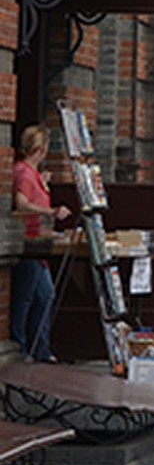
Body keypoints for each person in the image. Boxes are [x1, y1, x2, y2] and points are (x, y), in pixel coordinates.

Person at [11, 125, 70, 362]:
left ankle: (40, 348)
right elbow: (22, 202)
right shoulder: (24, 173)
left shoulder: (33, 173)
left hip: (39, 242)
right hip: (29, 243)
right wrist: (51, 211)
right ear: (41, 149)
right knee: (26, 298)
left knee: (45, 295)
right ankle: (22, 347)